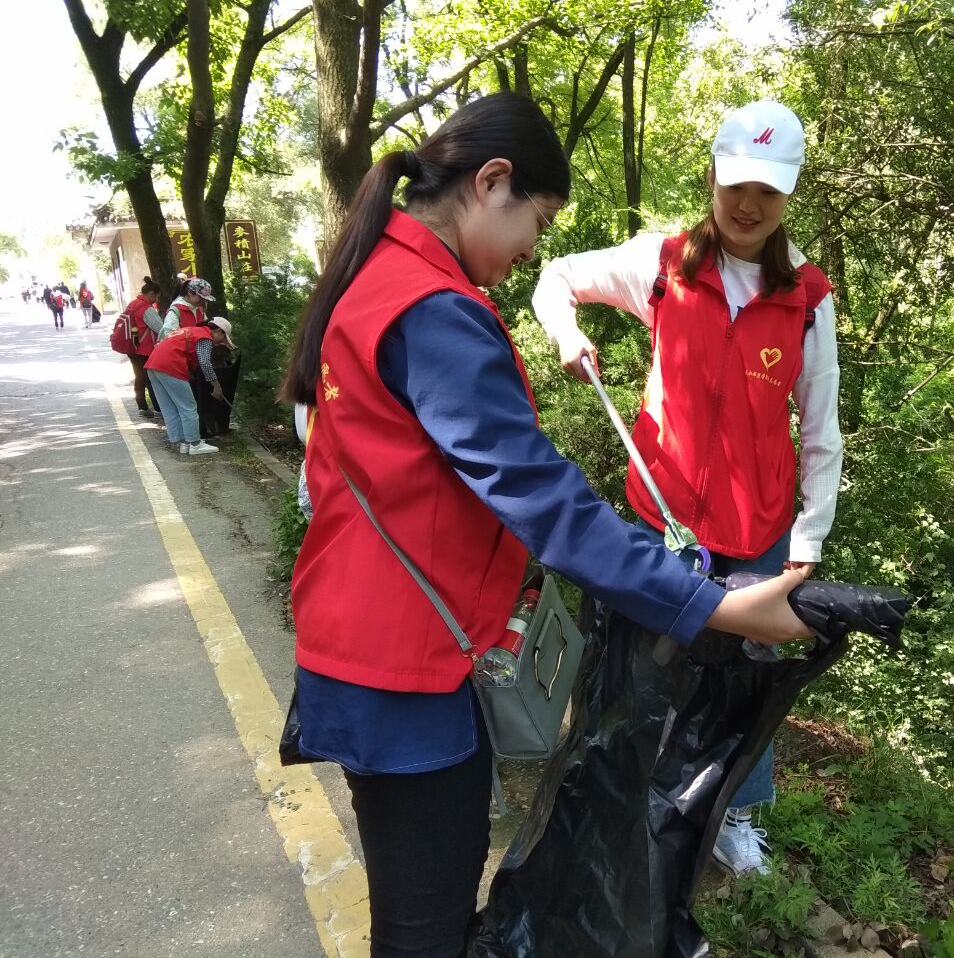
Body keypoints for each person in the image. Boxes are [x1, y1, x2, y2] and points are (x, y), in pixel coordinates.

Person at [278, 92, 813, 958]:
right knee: (424, 932)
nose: (535, 247)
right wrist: (711, 606)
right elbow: (541, 497)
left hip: (380, 644)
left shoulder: (386, 277)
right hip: (398, 665)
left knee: (427, 911)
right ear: (492, 182)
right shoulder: (431, 310)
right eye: (539, 220)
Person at [531, 100, 843, 877]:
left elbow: (821, 429)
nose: (748, 205)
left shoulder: (808, 298)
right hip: (661, 517)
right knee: (646, 668)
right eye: (736, 184)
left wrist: (807, 541)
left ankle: (734, 814)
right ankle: (629, 794)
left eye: (768, 191)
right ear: (712, 177)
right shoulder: (663, 265)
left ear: (790, 193)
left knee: (744, 678)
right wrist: (568, 334)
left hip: (759, 532)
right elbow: (555, 277)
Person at [144, 317, 234, 455]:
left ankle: (181, 443)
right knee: (188, 407)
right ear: (218, 331)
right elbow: (205, 363)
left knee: (170, 407)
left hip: (153, 365)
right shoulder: (205, 337)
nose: (221, 343)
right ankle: (195, 444)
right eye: (223, 338)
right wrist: (217, 386)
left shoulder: (190, 330)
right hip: (171, 366)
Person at [121, 276, 165, 417]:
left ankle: (142, 406)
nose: (156, 300)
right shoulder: (147, 309)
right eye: (156, 296)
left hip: (132, 346)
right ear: (152, 294)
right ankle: (158, 409)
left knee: (139, 377)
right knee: (151, 378)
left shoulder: (133, 304)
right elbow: (161, 329)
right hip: (145, 349)